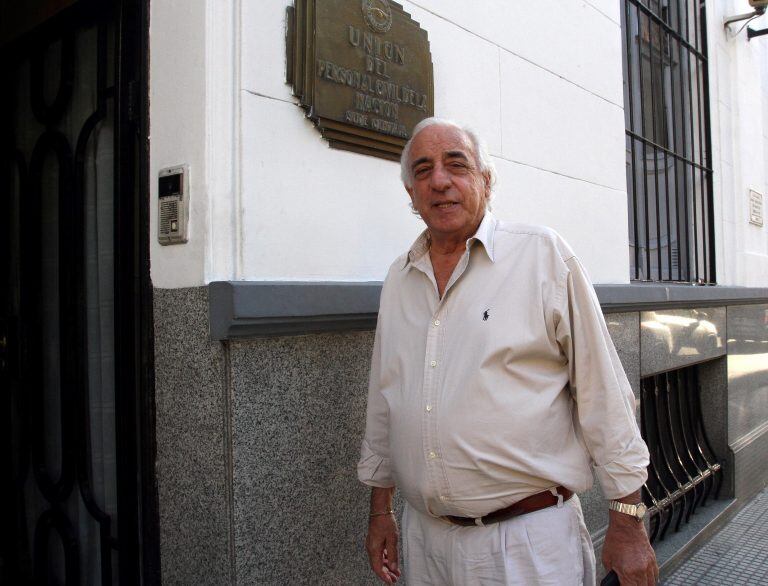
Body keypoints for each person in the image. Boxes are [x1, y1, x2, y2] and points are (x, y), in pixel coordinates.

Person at [357, 117, 659, 585]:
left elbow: (605, 394)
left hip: (527, 546)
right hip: (425, 542)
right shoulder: (400, 278)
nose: (439, 180)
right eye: (422, 170)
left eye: (455, 164)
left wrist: (628, 521)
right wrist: (381, 511)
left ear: (485, 180)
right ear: (411, 196)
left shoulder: (542, 257)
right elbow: (385, 400)